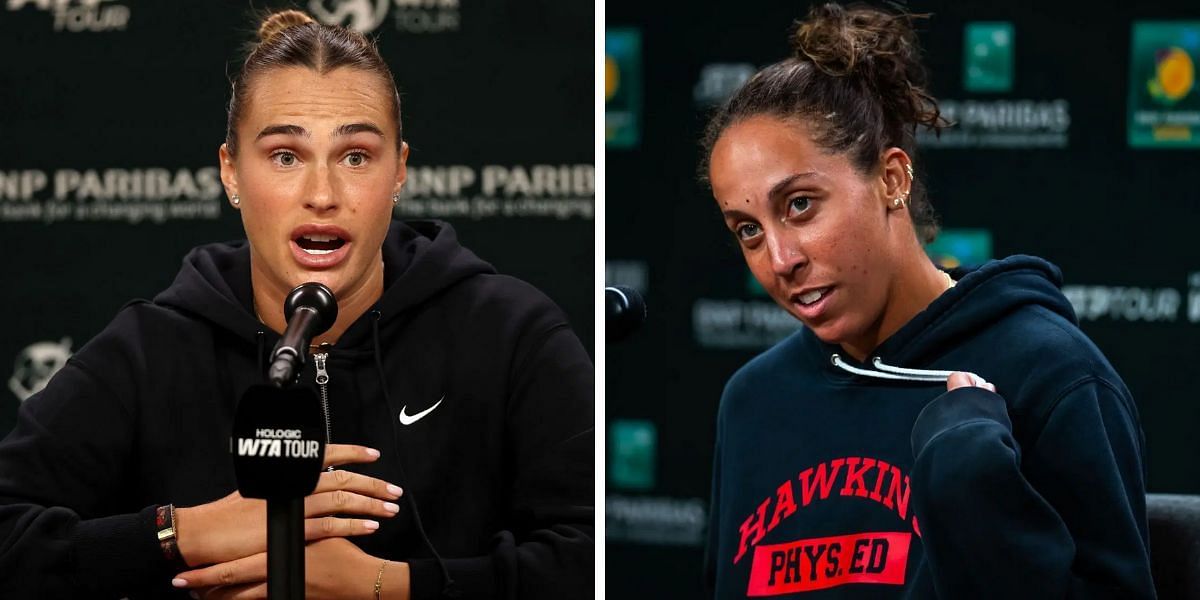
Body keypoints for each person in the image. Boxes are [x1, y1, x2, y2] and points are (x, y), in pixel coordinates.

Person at [0, 10, 593, 600]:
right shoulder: (149, 349)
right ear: (231, 173)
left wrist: (392, 587)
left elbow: (593, 556)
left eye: (355, 156)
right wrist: (181, 532)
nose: (322, 195)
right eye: (285, 156)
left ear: (400, 171)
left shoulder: (511, 332)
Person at [700, 4, 1154, 598]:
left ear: (891, 178)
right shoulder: (753, 400)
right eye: (748, 229)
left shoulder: (1051, 376)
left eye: (800, 205)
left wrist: (973, 491)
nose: (780, 259)